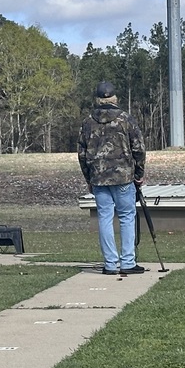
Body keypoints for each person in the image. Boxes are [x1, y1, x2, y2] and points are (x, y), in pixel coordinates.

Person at [78, 81, 147, 275]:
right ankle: (127, 261)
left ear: (97, 99)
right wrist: (139, 174)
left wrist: (88, 178)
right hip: (123, 176)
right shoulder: (125, 119)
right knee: (126, 217)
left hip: (99, 178)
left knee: (105, 218)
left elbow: (82, 154)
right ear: (115, 98)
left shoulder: (88, 122)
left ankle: (110, 263)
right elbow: (139, 149)